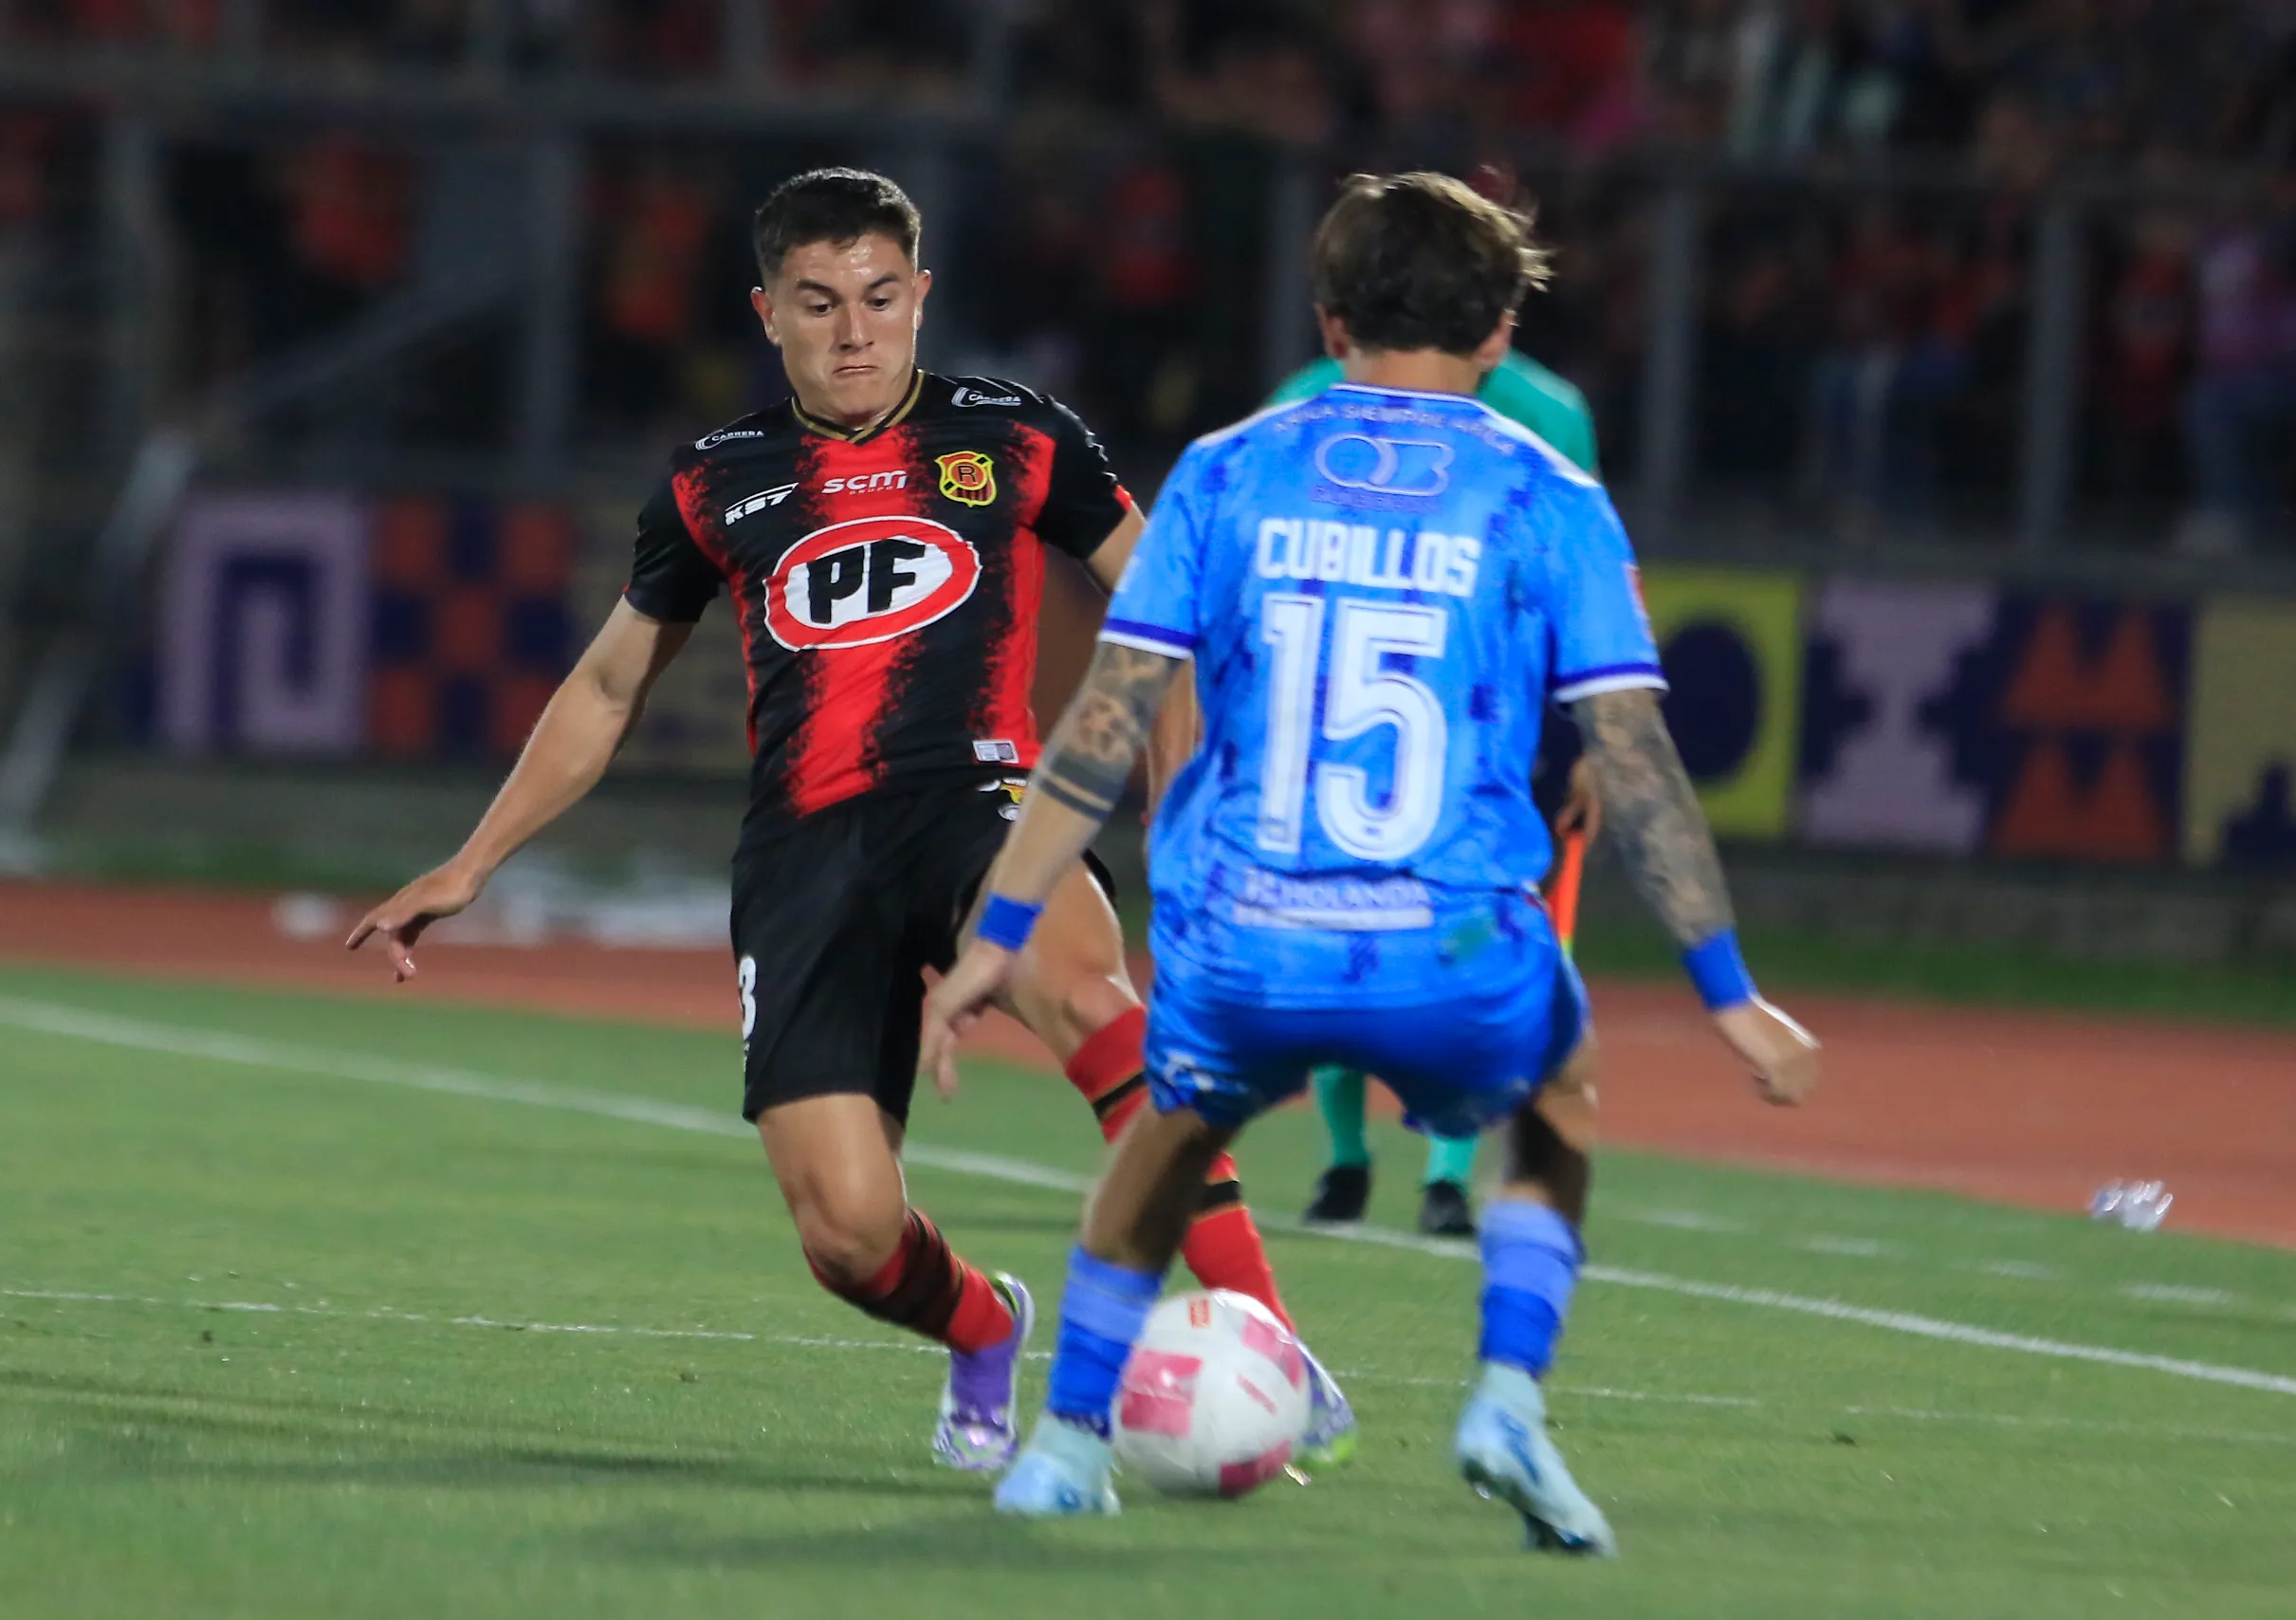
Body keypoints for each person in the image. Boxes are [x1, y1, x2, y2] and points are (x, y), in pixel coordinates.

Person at [346, 167, 1351, 1476]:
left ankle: (1267, 1333)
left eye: (880, 297)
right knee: (847, 1233)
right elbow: (605, 688)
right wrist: (474, 860)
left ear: (922, 295)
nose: (855, 331)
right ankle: (985, 1326)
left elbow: (1167, 610)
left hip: (982, 800)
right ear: (769, 313)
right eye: (818, 305)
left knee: (1091, 997)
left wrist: (1184, 822)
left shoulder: (1018, 434)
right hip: (805, 852)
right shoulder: (716, 483)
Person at [919, 172, 1820, 1552]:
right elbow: (1633, 765)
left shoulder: (1225, 470)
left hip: (1242, 944)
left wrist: (1001, 929)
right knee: (1560, 1088)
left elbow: (1101, 724)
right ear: (1504, 329)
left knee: (1165, 1141)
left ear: (1329, 318)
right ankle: (1507, 1401)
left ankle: (1061, 1443)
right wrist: (1724, 988)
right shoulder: (1548, 495)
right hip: (1452, 952)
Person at [1264, 341, 1602, 1239]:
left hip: (1482, 727)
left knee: (1458, 940)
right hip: (1335, 728)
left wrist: (1591, 738)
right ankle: (1346, 1161)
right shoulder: (1305, 398)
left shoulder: (1549, 408)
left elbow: (1585, 579)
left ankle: (1445, 1175)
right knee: (1340, 942)